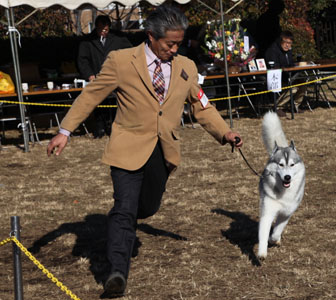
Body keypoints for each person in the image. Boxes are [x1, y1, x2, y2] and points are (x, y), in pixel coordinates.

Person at [47, 5, 243, 298]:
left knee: (147, 207)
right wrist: (65, 131)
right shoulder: (121, 61)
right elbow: (91, 96)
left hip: (163, 151)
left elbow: (202, 105)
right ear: (151, 36)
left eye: (178, 43)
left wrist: (224, 132)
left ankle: (124, 222)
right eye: (170, 44)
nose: (175, 49)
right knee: (124, 209)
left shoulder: (186, 67)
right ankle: (116, 273)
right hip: (126, 147)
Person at [77, 15, 132, 138]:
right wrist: (89, 75)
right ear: (96, 27)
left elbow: (130, 53)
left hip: (116, 78)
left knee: (115, 104)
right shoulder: (87, 41)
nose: (103, 32)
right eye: (100, 29)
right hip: (97, 77)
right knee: (98, 103)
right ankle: (100, 128)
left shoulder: (119, 38)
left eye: (106, 30)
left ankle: (114, 127)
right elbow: (82, 60)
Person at [265, 30, 304, 114]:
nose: (287, 45)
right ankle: (277, 107)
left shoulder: (289, 51)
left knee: (303, 83)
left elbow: (290, 64)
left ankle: (294, 106)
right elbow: (274, 66)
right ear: (280, 41)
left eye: (290, 43)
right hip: (276, 78)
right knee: (293, 88)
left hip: (288, 76)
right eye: (285, 42)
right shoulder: (272, 50)